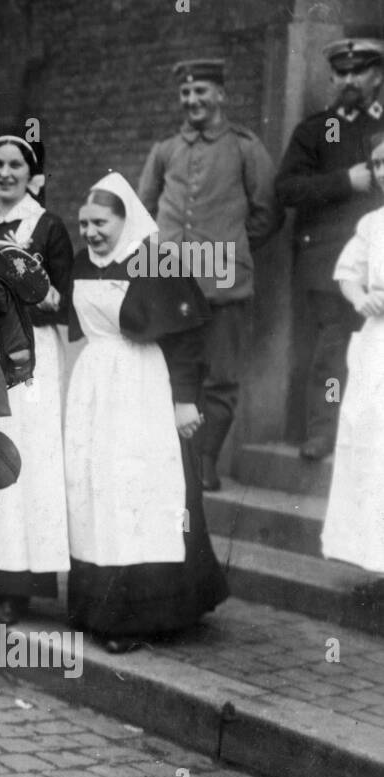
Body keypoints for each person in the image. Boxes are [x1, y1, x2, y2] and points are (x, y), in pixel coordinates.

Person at [64, 172, 229, 653]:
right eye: (84, 223)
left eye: (100, 222)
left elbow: (186, 337)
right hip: (96, 383)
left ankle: (139, 616)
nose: (91, 232)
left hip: (144, 386)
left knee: (141, 491)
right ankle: (94, 607)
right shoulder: (80, 263)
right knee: (97, 488)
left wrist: (184, 401)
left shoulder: (156, 262)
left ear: (125, 218)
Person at [139, 59, 282, 488]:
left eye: (201, 91)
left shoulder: (244, 146)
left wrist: (228, 247)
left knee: (220, 377)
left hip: (223, 282)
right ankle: (169, 459)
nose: (192, 100)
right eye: (185, 93)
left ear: (221, 94)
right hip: (168, 280)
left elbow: (267, 212)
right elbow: (143, 210)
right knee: (165, 372)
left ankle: (204, 461)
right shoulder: (165, 149)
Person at [0, 135, 73, 624]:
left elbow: (63, 298)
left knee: (26, 459)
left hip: (33, 356)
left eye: (15, 165)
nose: (6, 173)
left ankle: (19, 587)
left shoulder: (48, 226)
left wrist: (27, 282)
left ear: (32, 175)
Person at [277, 32, 384, 460]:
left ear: (377, 76)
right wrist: (345, 182)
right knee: (331, 352)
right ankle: (323, 433)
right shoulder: (318, 130)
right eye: (342, 72)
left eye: (359, 71)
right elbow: (286, 188)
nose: (350, 79)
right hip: (327, 263)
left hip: (379, 261)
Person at [321, 130, 384, 574]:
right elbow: (347, 272)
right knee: (369, 439)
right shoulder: (373, 224)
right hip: (377, 342)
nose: (382, 173)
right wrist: (360, 296)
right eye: (377, 165)